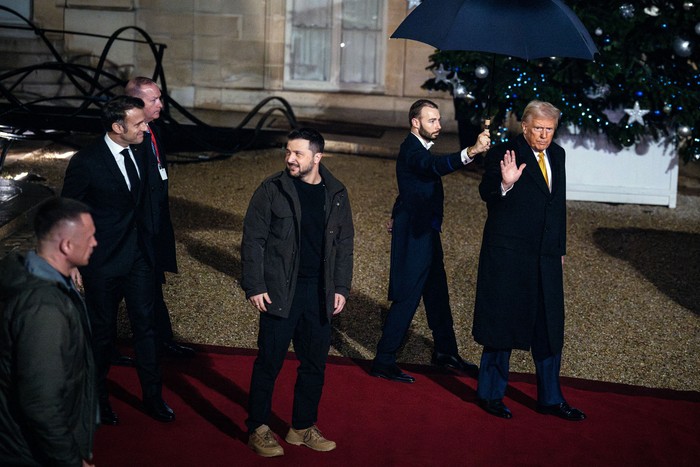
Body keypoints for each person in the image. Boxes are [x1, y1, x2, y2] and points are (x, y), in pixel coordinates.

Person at [61, 95, 175, 424]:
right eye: (138, 123)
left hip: (139, 257)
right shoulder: (87, 161)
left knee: (147, 329)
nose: (146, 127)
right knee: (101, 334)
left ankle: (153, 397)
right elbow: (69, 211)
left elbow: (150, 202)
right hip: (102, 262)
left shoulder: (141, 150)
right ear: (117, 127)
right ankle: (97, 401)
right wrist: (71, 261)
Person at [241, 128, 354, 457]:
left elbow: (344, 244)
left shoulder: (336, 192)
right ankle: (258, 428)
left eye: (298, 154)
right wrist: (255, 284)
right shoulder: (271, 189)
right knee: (269, 363)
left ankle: (301, 427)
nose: (290, 158)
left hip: (319, 293)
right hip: (280, 292)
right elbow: (253, 240)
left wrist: (341, 287)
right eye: (288, 152)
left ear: (317, 158)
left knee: (314, 365)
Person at [472, 100, 585, 421]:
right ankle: (491, 394)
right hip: (508, 255)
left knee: (550, 327)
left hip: (546, 256)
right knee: (502, 323)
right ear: (524, 126)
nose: (544, 135)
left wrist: (559, 249)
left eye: (549, 129)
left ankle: (550, 398)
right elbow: (487, 193)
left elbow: (557, 206)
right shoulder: (504, 152)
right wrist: (505, 183)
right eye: (538, 128)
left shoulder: (558, 155)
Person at [371, 99, 490, 383]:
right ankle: (383, 360)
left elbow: (408, 186)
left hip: (426, 229)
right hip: (415, 234)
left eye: (438, 120)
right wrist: (471, 151)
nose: (438, 126)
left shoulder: (418, 148)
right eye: (432, 121)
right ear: (415, 122)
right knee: (408, 295)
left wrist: (396, 212)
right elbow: (434, 166)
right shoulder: (412, 150)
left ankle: (446, 352)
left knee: (437, 292)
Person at [0, 197, 98, 466]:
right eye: (89, 237)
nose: (94, 243)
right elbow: (41, 402)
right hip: (30, 454)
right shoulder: (44, 309)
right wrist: (70, 461)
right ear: (66, 245)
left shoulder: (29, 274)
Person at [124, 76, 195, 359]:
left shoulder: (153, 131)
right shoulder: (128, 140)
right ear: (137, 102)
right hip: (134, 234)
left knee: (152, 286)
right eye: (154, 100)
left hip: (154, 228)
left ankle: (163, 342)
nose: (161, 105)